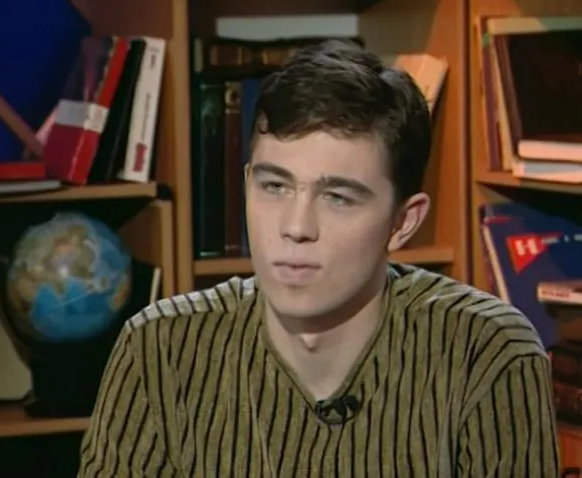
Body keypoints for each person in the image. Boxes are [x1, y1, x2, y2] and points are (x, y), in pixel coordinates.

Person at [77, 39, 559, 477]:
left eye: (338, 198)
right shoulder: (160, 350)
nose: (296, 227)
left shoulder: (485, 353)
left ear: (403, 222)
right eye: (274, 186)